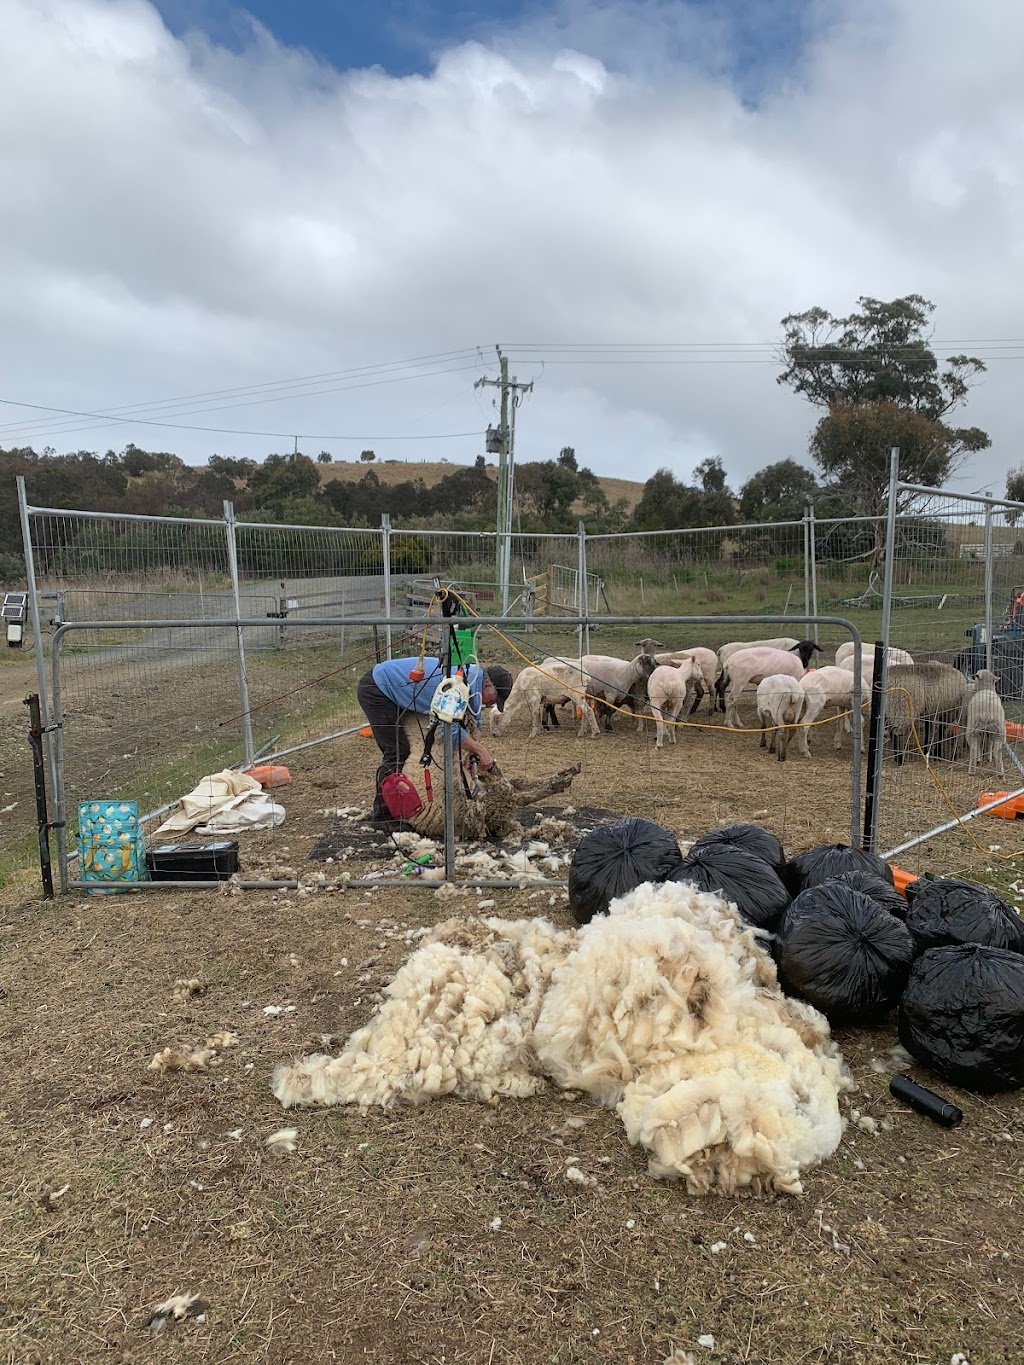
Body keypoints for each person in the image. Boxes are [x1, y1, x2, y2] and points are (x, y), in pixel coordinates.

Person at [357, 655, 514, 830]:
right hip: (378, 689)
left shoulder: (472, 679)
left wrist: (473, 750)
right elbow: (449, 729)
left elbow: (474, 719)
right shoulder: (457, 686)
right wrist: (481, 751)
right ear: (487, 685)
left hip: (395, 686)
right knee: (397, 751)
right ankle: (382, 815)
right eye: (494, 699)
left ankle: (398, 805)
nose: (490, 705)